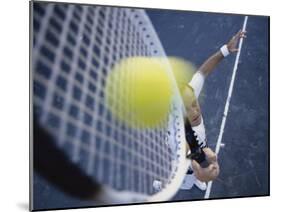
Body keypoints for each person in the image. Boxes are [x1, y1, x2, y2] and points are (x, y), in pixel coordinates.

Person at [181, 30, 247, 190]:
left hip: (196, 146)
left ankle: (194, 179)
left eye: (194, 102)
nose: (196, 108)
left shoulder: (188, 94)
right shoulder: (183, 141)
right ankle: (176, 182)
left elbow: (203, 71)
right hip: (186, 160)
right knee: (185, 181)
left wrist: (225, 50)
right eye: (191, 107)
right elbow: (193, 156)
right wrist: (201, 170)